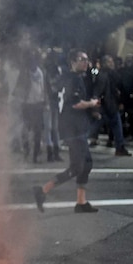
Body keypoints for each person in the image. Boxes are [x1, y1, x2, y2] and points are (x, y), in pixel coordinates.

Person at [33, 51, 101, 214]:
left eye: (87, 59)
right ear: (72, 62)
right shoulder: (74, 78)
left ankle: (80, 202)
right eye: (81, 60)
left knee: (87, 164)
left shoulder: (68, 77)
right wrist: (92, 103)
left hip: (74, 126)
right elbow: (76, 104)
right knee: (78, 166)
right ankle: (42, 190)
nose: (85, 62)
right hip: (73, 127)